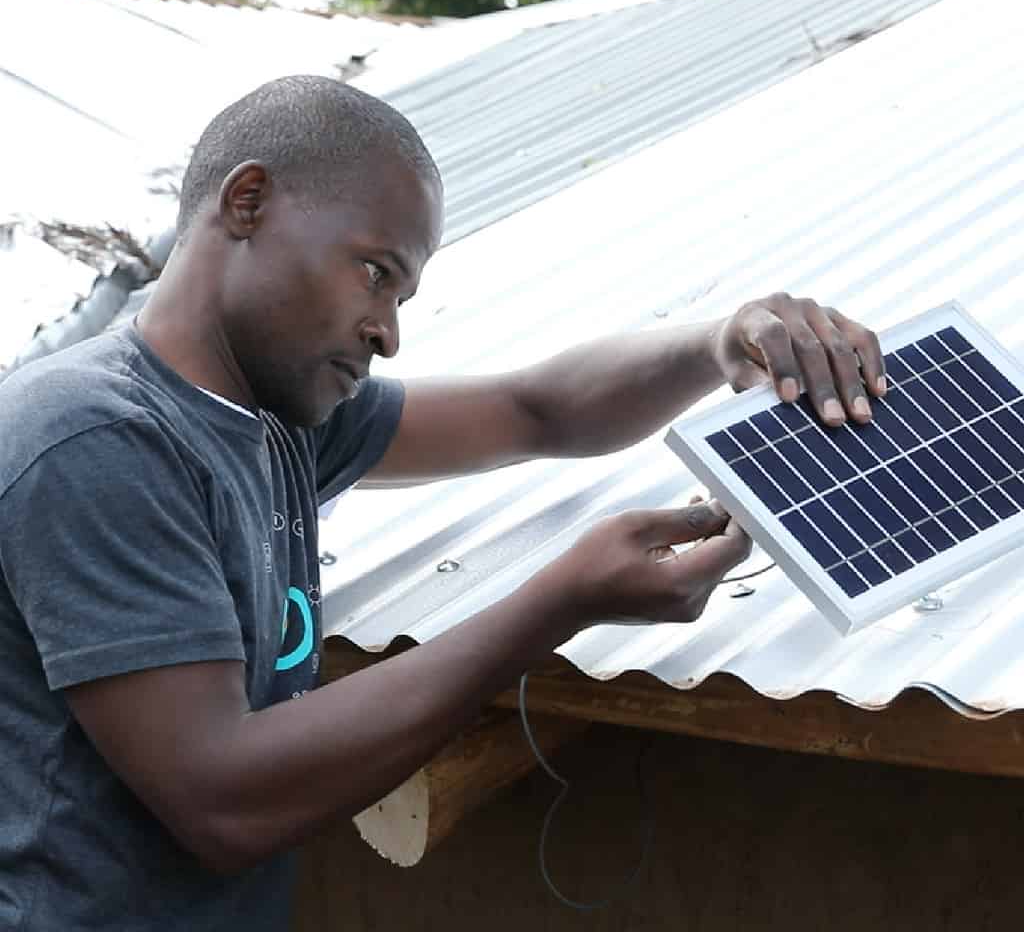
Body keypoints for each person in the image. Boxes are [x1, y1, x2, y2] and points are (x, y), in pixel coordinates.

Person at [0, 75, 886, 930]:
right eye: (376, 273)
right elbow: (223, 802)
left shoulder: (277, 416)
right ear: (248, 202)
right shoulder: (93, 439)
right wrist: (560, 601)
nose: (388, 330)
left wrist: (714, 342)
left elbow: (533, 409)